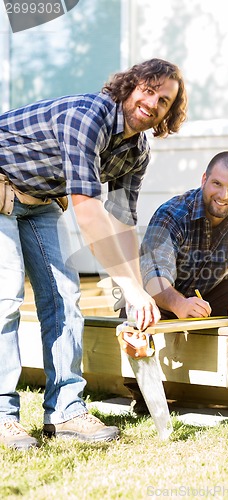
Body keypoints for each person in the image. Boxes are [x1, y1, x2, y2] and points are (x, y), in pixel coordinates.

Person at [0, 58, 187, 450]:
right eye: (148, 90)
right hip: (2, 183)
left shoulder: (136, 151)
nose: (152, 103)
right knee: (7, 295)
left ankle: (67, 411)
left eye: (164, 101)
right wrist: (133, 290)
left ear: (168, 114)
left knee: (65, 298)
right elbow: (88, 210)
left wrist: (133, 295)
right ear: (130, 87)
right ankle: (2, 416)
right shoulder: (88, 116)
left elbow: (121, 224)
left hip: (40, 199)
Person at [125, 150, 228, 413]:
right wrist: (181, 305)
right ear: (204, 179)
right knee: (140, 318)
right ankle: (146, 395)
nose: (223, 195)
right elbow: (153, 276)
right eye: (217, 184)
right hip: (160, 298)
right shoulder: (172, 214)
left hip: (208, 293)